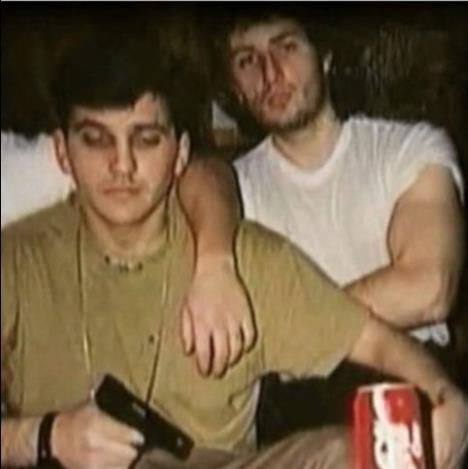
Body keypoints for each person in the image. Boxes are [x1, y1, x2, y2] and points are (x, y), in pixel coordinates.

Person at [2, 32, 467, 469]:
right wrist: (44, 437)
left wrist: (444, 395)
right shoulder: (18, 262)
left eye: (146, 140)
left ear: (180, 155)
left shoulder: (244, 258)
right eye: (96, 139)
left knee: (350, 451)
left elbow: (375, 340)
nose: (121, 165)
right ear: (62, 152)